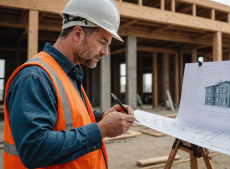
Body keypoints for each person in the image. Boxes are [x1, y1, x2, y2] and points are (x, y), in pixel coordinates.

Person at [3, 0, 136, 168]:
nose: (105, 52)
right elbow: (34, 149)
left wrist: (102, 117)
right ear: (78, 33)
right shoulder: (34, 77)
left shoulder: (66, 73)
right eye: (102, 42)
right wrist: (101, 129)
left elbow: (67, 117)